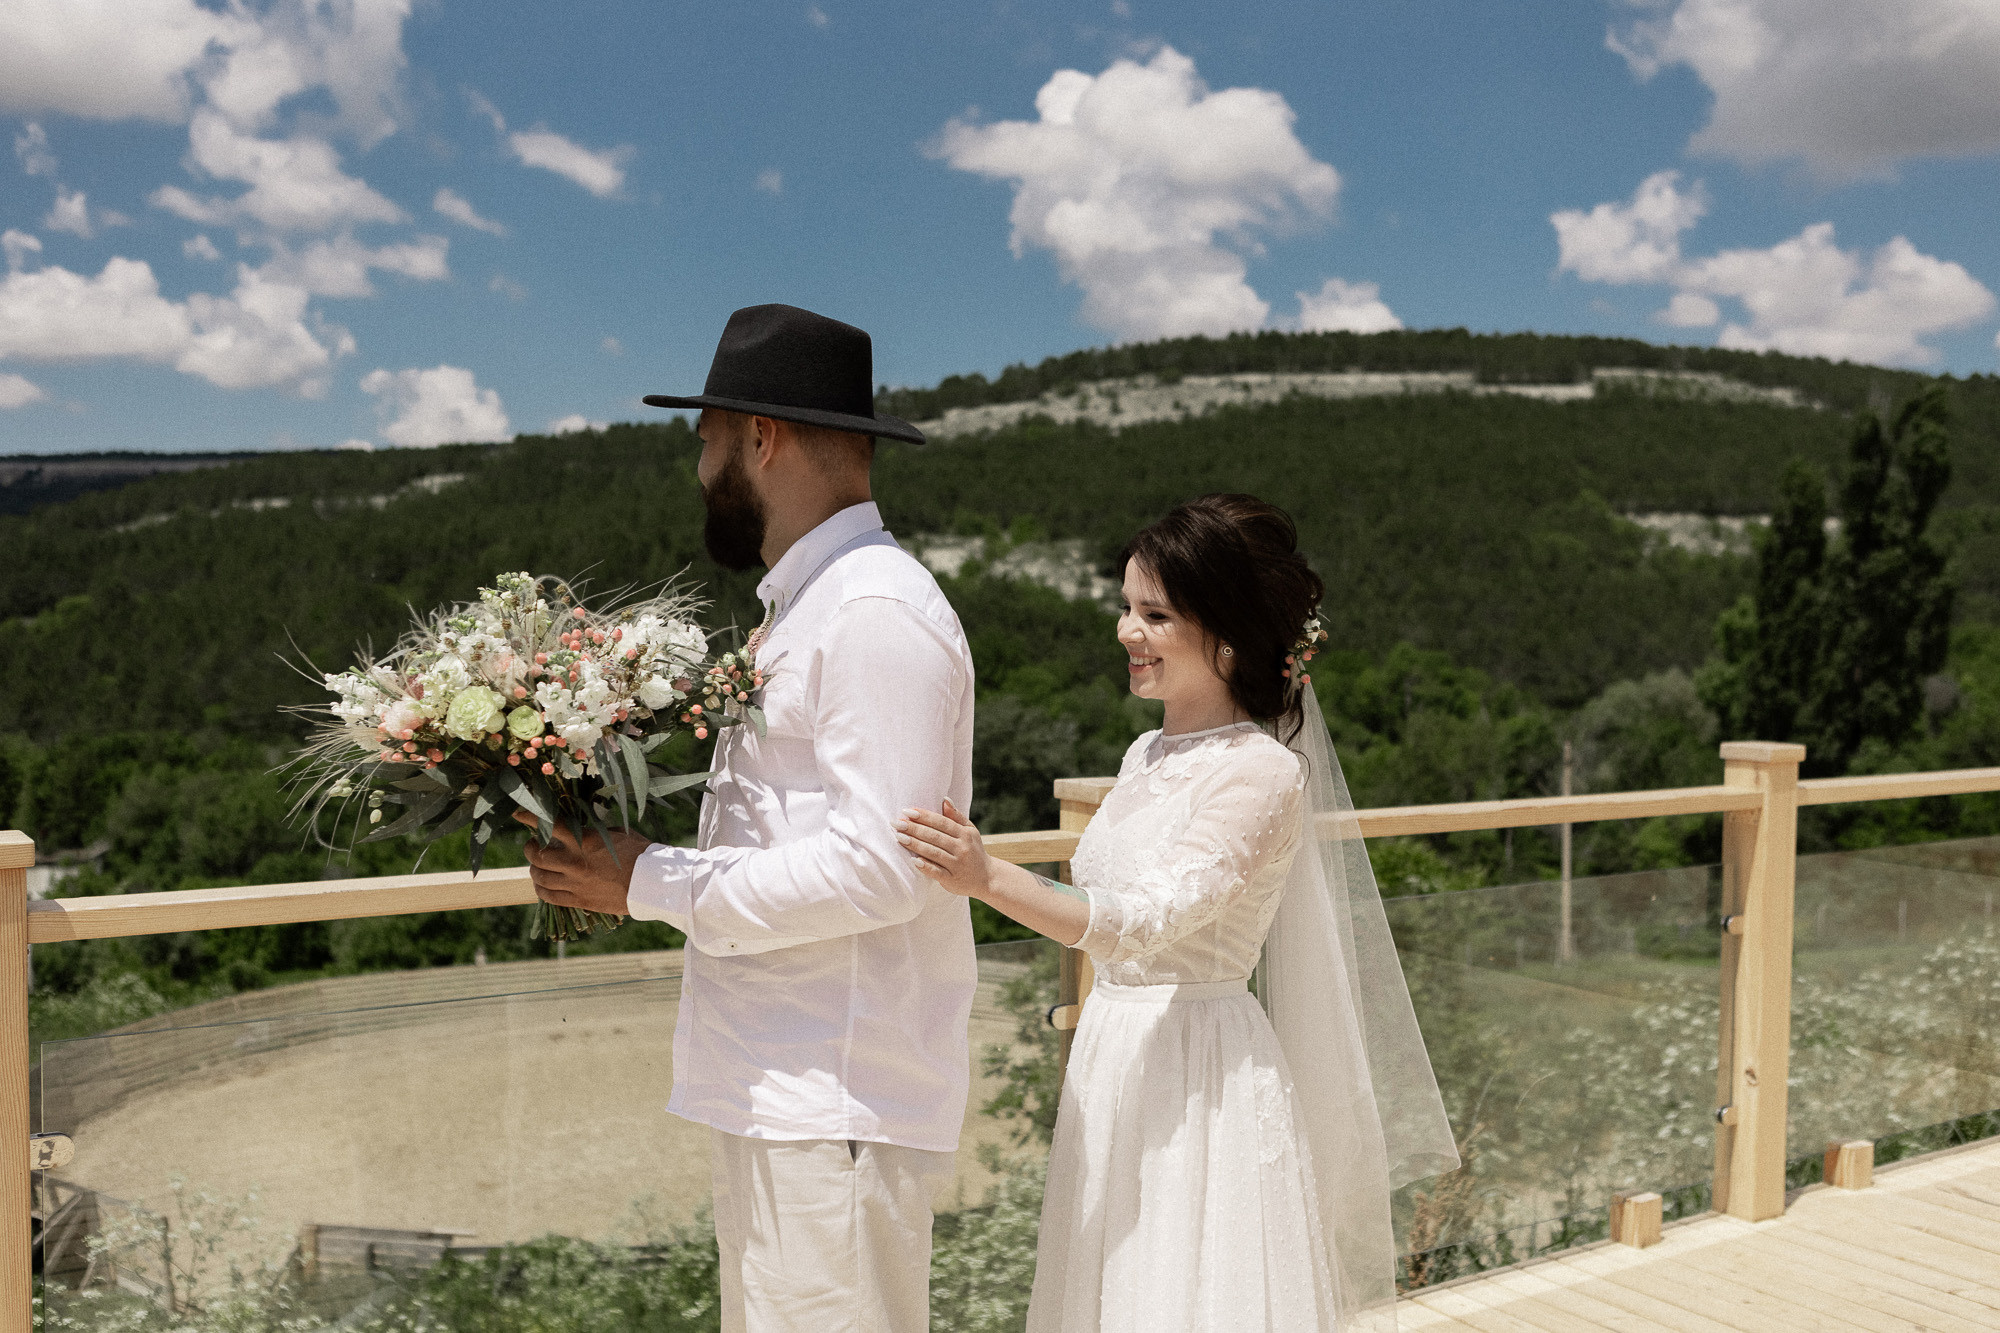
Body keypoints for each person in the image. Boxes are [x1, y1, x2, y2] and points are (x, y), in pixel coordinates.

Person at [519, 304, 977, 1333]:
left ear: (758, 438)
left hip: (833, 1095)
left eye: (705, 441)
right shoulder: (813, 609)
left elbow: (883, 867)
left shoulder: (870, 613)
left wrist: (645, 881)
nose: (699, 471)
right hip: (791, 1090)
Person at [896, 494, 1458, 1332]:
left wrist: (985, 875)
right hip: (1116, 1051)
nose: (1127, 630)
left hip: (1202, 1067)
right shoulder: (1145, 753)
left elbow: (1141, 920)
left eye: (1154, 613)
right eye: (1127, 607)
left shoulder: (1264, 773)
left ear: (1225, 635)